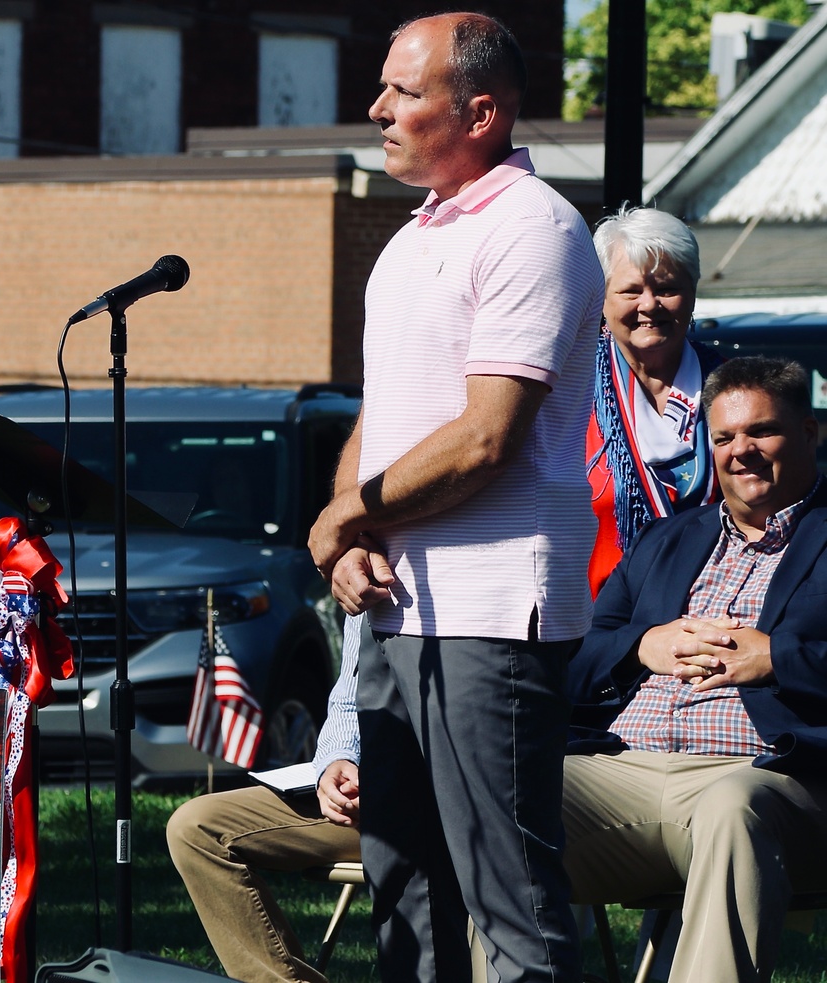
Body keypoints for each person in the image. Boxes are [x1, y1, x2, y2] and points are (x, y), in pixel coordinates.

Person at [308, 12, 603, 982]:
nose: (376, 108)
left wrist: (348, 516)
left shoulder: (535, 228)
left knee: (508, 897)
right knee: (405, 886)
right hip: (399, 606)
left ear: (479, 111)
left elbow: (486, 435)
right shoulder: (411, 238)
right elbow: (384, 415)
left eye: (404, 91)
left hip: (491, 612)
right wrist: (352, 525)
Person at [564, 355, 827, 983]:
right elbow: (574, 661)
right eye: (725, 437)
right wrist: (641, 644)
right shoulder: (667, 541)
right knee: (506, 794)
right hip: (624, 765)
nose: (742, 452)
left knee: (732, 807)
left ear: (811, 433)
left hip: (767, 774)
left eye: (761, 431)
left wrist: (777, 659)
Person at [167, 616, 363, 983]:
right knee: (196, 827)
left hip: (454, 803)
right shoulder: (365, 580)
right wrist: (339, 760)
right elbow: (349, 703)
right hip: (366, 803)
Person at [586, 205, 723, 597]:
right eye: (630, 290)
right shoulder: (566, 390)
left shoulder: (736, 389)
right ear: (603, 298)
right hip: (592, 632)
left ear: (693, 293)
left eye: (667, 288)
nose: (649, 305)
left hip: (711, 623)